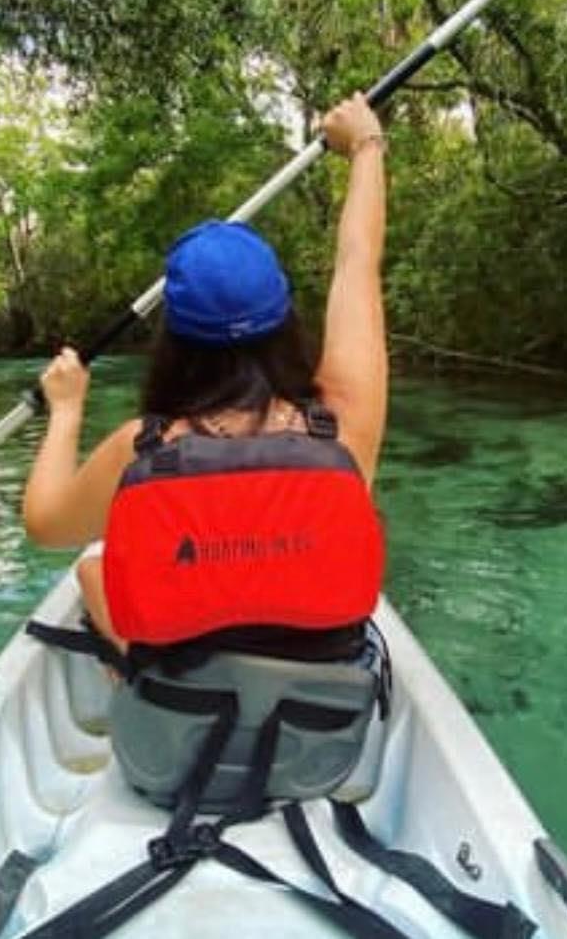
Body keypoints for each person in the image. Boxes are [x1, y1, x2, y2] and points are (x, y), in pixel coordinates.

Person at [21, 91, 387, 654]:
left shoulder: (140, 449)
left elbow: (45, 524)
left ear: (174, 342)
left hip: (183, 717)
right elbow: (358, 261)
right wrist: (366, 145)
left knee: (92, 568)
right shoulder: (343, 427)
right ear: (286, 319)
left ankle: (129, 670)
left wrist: (66, 409)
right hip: (317, 724)